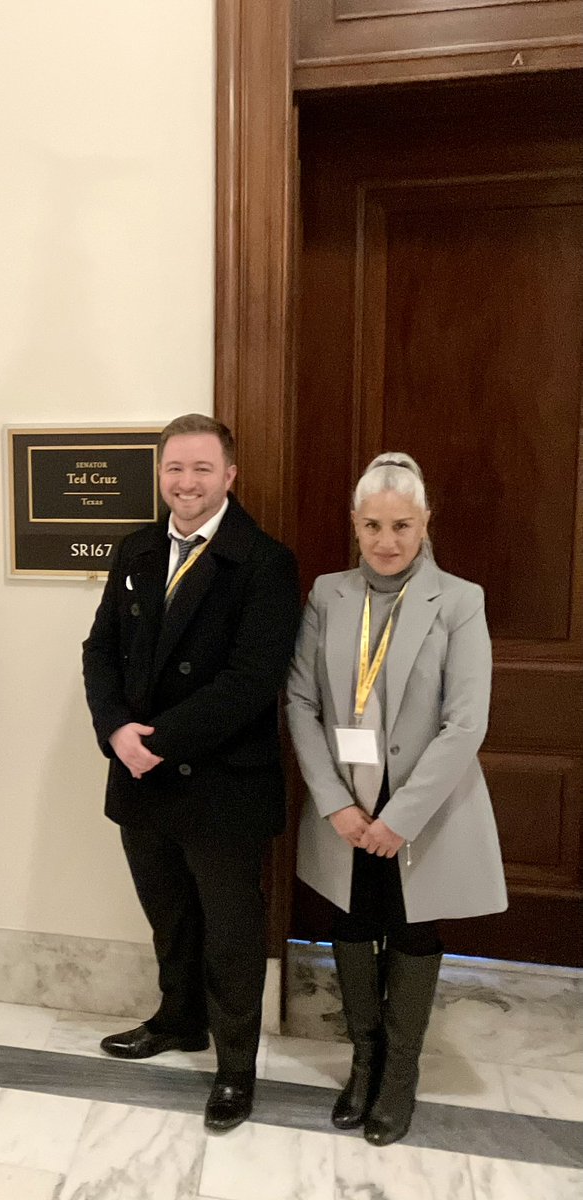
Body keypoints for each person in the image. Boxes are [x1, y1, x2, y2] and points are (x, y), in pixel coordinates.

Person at [82, 414, 300, 1132]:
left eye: (201, 469)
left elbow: (250, 681)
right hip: (140, 776)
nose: (186, 482)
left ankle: (236, 1069)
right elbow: (100, 652)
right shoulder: (137, 549)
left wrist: (158, 740)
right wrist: (116, 730)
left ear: (229, 476)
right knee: (169, 916)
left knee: (231, 933)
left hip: (221, 782)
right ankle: (178, 1021)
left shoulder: (263, 562)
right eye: (174, 468)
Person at [286, 452, 507, 1146]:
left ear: (424, 524)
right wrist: (335, 803)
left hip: (424, 809)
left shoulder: (459, 600)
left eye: (401, 526)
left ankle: (399, 1072)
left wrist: (398, 816)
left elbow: (465, 721)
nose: (386, 541)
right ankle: (365, 1058)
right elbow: (299, 699)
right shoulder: (328, 594)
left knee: (411, 930)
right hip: (345, 806)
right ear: (354, 524)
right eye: (373, 525)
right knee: (350, 924)